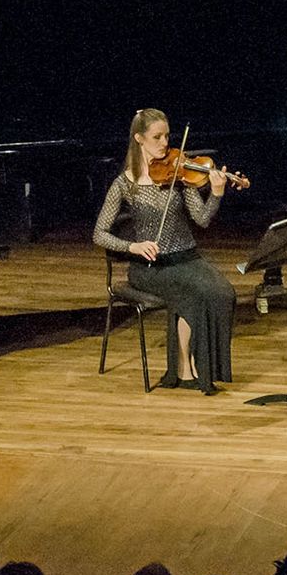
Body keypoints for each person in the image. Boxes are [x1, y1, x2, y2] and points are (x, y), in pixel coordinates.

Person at [92, 108, 235, 394]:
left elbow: (202, 219)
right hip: (151, 267)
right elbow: (99, 234)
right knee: (194, 295)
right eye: (157, 137)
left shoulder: (178, 175)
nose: (165, 143)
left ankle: (210, 367)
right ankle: (184, 369)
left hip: (188, 257)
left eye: (167, 136)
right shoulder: (124, 184)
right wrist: (133, 246)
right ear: (139, 138)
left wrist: (217, 193)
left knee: (224, 293)